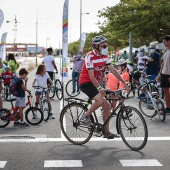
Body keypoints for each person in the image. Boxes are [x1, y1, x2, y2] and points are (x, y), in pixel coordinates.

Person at [79, 35, 128, 139]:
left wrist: (124, 81)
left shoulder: (104, 57)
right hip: (86, 83)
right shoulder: (89, 56)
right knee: (101, 101)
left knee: (107, 106)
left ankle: (106, 132)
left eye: (106, 46)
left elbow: (113, 70)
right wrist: (100, 89)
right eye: (104, 46)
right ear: (96, 46)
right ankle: (86, 115)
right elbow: (91, 76)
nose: (106, 47)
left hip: (96, 83)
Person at [158, 35, 170, 114]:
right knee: (165, 91)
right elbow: (162, 63)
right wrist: (160, 74)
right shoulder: (166, 51)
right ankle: (168, 108)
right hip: (164, 73)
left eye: (165, 41)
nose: (164, 43)